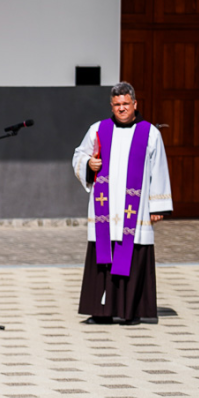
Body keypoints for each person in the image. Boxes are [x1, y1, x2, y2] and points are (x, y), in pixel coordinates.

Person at [72, 82, 173, 324]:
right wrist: (89, 164)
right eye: (117, 105)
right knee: (103, 257)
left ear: (135, 104)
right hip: (105, 210)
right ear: (111, 105)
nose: (121, 109)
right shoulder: (98, 129)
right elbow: (80, 154)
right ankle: (102, 313)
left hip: (135, 212)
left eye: (126, 104)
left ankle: (131, 312)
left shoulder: (150, 133)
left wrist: (157, 206)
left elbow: (159, 170)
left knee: (133, 256)